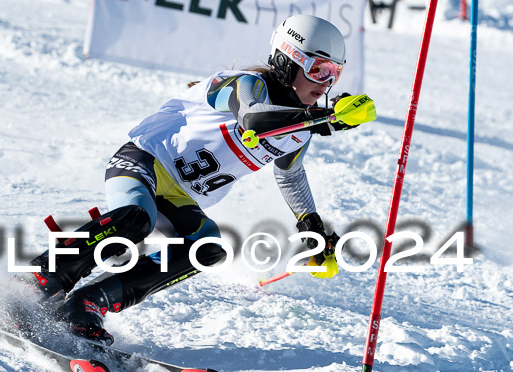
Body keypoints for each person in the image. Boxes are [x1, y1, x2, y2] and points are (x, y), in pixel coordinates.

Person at [28, 15, 361, 345]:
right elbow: (254, 118)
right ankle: (44, 277)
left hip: (177, 196)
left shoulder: (299, 132)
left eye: (335, 73)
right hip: (144, 161)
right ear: (287, 61)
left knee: (208, 247)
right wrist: (322, 117)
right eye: (318, 70)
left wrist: (312, 225)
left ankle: (86, 304)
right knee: (136, 219)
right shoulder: (244, 84)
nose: (325, 84)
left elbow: (290, 175)